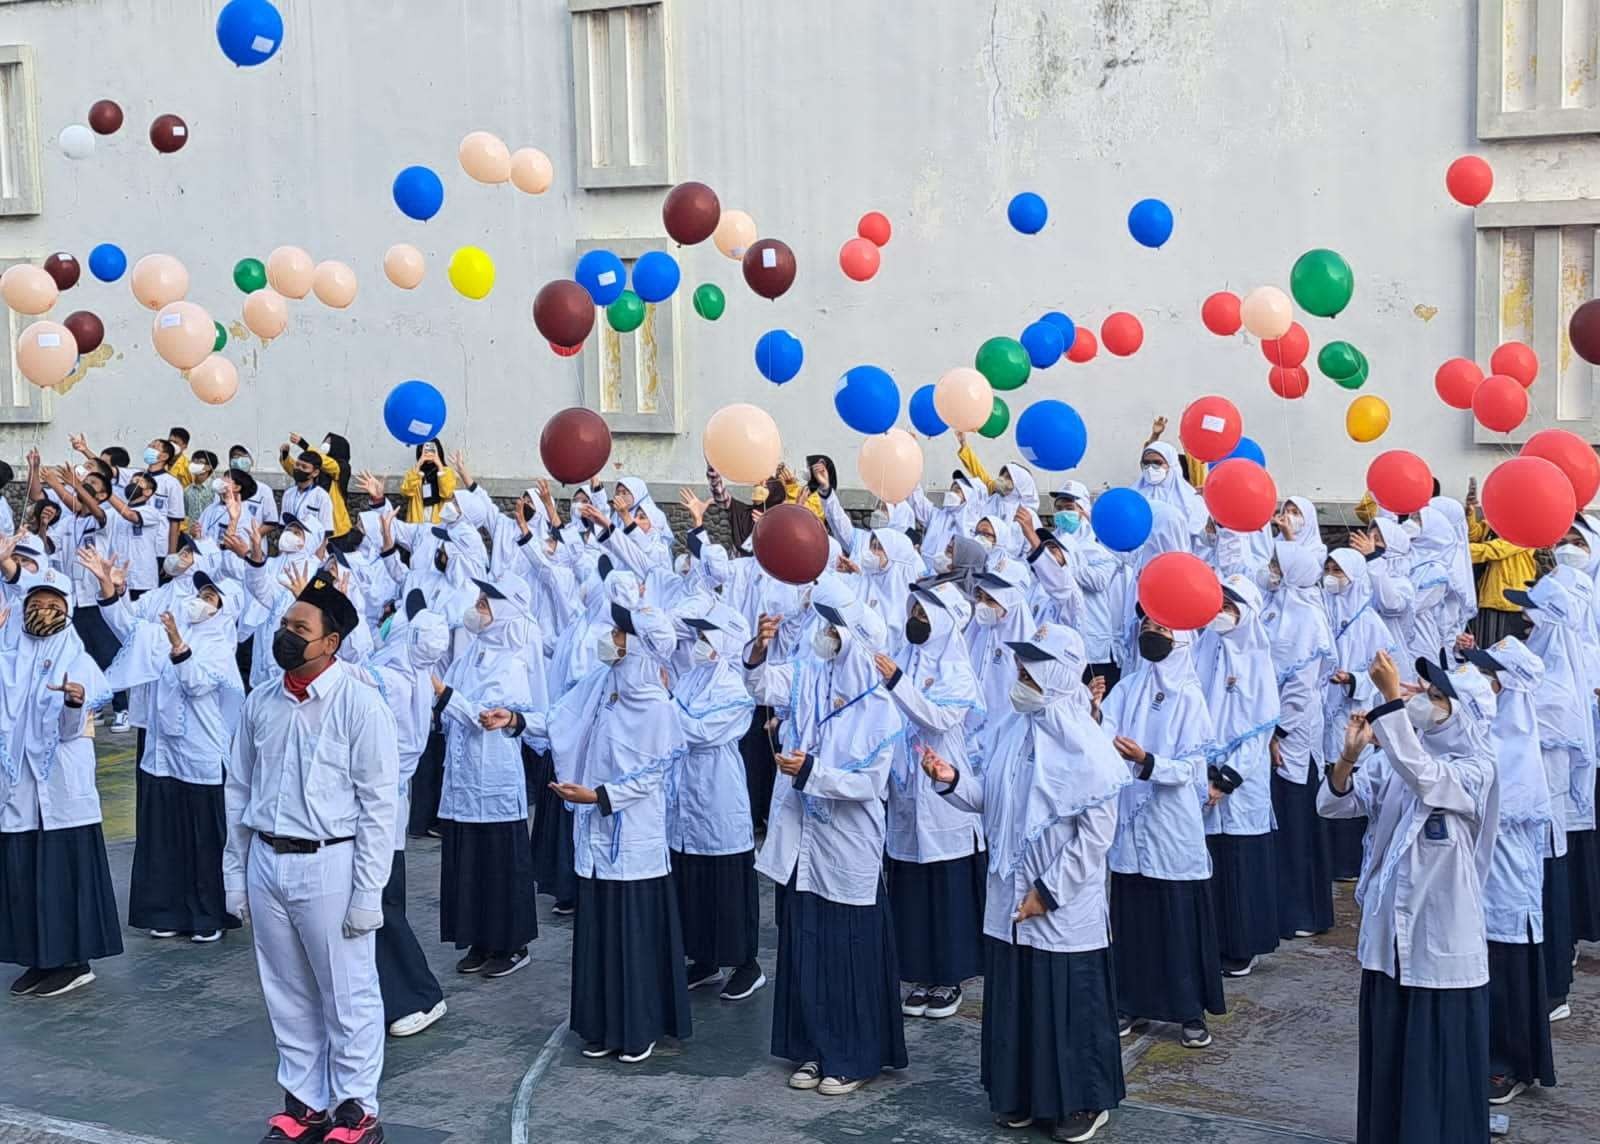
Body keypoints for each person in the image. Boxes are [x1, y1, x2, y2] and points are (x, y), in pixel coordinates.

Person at [923, 623, 1128, 1143]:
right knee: (1018, 999)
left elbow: (1095, 835)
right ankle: (1019, 1094)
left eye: (1030, 666)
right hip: (1011, 895)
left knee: (1065, 1001)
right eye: (1018, 664)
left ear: (1056, 672)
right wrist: (950, 781)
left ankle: (1083, 1100)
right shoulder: (1012, 729)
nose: (1019, 673)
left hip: (1061, 906)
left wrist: (1049, 891)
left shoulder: (1087, 744)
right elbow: (992, 800)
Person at [224, 573, 399, 1144]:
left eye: (300, 629)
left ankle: (356, 1108)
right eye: (284, 625)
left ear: (331, 642)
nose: (286, 636)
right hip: (268, 861)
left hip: (331, 863)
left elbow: (379, 803)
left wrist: (369, 893)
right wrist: (236, 873)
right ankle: (305, 1102)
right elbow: (239, 792)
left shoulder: (360, 704)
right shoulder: (262, 702)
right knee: (286, 989)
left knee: (346, 991)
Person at [495, 599, 692, 1064]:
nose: (612, 639)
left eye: (621, 634)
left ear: (641, 646)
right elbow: (563, 716)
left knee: (633, 934)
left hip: (632, 836)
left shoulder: (659, 708)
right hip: (595, 831)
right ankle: (604, 1023)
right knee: (601, 932)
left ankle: (639, 1026)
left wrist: (601, 797)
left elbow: (653, 776)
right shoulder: (603, 684)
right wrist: (518, 720)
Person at [1319, 651, 1496, 1144]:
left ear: (1465, 713)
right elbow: (1337, 804)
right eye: (1424, 692)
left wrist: (1391, 701)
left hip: (1441, 951)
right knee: (1390, 1069)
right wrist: (1349, 757)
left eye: (1437, 698)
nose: (1424, 702)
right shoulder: (1396, 759)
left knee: (1436, 1075)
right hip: (1389, 946)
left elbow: (1428, 779)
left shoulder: (1477, 769)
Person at [745, 579, 907, 1094]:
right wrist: (757, 650)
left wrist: (812, 771)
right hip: (803, 842)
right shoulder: (810, 676)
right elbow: (760, 687)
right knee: (807, 943)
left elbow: (870, 783)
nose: (825, 636)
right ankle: (813, 1048)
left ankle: (853, 1057)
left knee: (848, 949)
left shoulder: (879, 708)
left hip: (848, 846)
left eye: (835, 630)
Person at [87, 550, 244, 943]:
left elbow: (196, 683)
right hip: (161, 754)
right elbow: (128, 627)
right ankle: (166, 909)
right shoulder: (162, 632)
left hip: (201, 755)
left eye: (212, 599)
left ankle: (207, 913)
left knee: (203, 837)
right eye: (201, 594)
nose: (202, 602)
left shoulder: (221, 647)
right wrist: (109, 588)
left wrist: (178, 644)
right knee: (163, 834)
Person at [1101, 612, 1225, 1049]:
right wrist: (1093, 711)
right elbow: (1104, 734)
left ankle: (1189, 1010)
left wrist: (1148, 760)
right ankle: (1129, 1001)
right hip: (1131, 819)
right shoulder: (1129, 687)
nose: (1151, 635)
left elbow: (1193, 767)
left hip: (1171, 825)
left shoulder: (1190, 696)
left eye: (1161, 630)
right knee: (1133, 917)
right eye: (1147, 628)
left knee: (1176, 918)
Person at [0, 569, 120, 998]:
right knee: (24, 871)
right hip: (20, 788)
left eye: (53, 606)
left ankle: (73, 961)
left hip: (61, 788)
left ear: (68, 611)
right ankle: (38, 958)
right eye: (36, 604)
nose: (42, 613)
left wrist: (73, 702)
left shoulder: (78, 659)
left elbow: (70, 731)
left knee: (62, 873)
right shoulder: (10, 657)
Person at [873, 583, 986, 1021]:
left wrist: (898, 684)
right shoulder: (904, 658)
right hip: (906, 786)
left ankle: (949, 976)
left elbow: (939, 718)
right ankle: (918, 974)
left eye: (924, 615)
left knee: (946, 885)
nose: (916, 621)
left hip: (943, 786)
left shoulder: (957, 669)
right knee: (913, 886)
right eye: (913, 612)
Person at [1461, 637, 1557, 1103]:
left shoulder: (1516, 745)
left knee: (1507, 966)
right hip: (1475, 873)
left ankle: (1508, 1062)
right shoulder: (1482, 730)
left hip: (1505, 880)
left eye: (1486, 676)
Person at [432, 577, 541, 980]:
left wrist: (444, 695)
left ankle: (512, 944)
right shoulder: (473, 651)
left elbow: (487, 718)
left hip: (492, 774)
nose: (476, 608)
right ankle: (479, 936)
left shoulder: (511, 662)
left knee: (499, 862)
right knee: (469, 861)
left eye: (484, 603)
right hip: (462, 776)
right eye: (477, 600)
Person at [362, 591, 451, 1037]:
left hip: (379, 810)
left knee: (382, 905)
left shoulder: (391, 679)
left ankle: (418, 995)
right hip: (375, 808)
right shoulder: (408, 674)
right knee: (374, 904)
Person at [667, 602, 765, 1001]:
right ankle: (704, 957)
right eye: (699, 636)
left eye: (708, 636)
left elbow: (701, 731)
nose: (700, 643)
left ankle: (746, 963)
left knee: (726, 878)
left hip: (717, 787)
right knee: (692, 874)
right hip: (687, 788)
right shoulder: (692, 677)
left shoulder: (732, 685)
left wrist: (666, 706)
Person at [1195, 578, 1281, 977]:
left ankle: (1243, 944)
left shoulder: (1257, 658)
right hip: (1207, 771)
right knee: (1215, 864)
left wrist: (1225, 780)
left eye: (1230, 605)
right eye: (1219, 603)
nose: (1221, 612)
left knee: (1241, 864)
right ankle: (1213, 940)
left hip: (1240, 782)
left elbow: (1260, 728)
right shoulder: (1206, 649)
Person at [1263, 542, 1335, 939]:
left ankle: (1305, 910)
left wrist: (1278, 731)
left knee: (1297, 821)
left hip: (1293, 734)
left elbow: (1301, 688)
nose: (1271, 569)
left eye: (1277, 564)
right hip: (1274, 728)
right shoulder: (1277, 608)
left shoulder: (1306, 619)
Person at [141, 436, 186, 555]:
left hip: (158, 547)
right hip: (136, 543)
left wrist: (171, 553)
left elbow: (175, 522)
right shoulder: (138, 477)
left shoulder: (172, 483)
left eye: (154, 447)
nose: (149, 448)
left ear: (164, 456)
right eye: (149, 445)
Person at [280, 450, 336, 542]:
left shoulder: (322, 496)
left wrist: (318, 556)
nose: (299, 469)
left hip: (312, 549)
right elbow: (282, 527)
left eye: (304, 467)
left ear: (315, 473)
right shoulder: (288, 494)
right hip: (289, 546)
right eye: (297, 465)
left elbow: (326, 532)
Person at [399, 440, 457, 525]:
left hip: (438, 523)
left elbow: (448, 494)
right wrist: (419, 464)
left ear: (438, 450)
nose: (429, 452)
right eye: (425, 449)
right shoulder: (414, 472)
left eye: (432, 449)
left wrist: (439, 465)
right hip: (417, 523)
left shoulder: (446, 472)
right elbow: (406, 492)